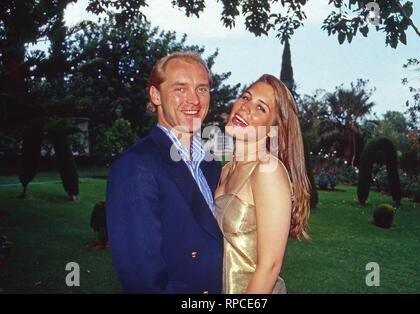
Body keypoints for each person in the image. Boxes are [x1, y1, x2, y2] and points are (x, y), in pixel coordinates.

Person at [106, 51, 223, 294]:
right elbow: (141, 278)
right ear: (155, 95)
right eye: (180, 89)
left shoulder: (211, 164)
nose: (194, 100)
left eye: (202, 89)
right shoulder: (135, 166)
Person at [214, 74, 311, 294]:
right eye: (246, 97)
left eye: (261, 108)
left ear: (271, 129)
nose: (245, 107)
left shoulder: (268, 171)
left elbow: (270, 267)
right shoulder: (225, 171)